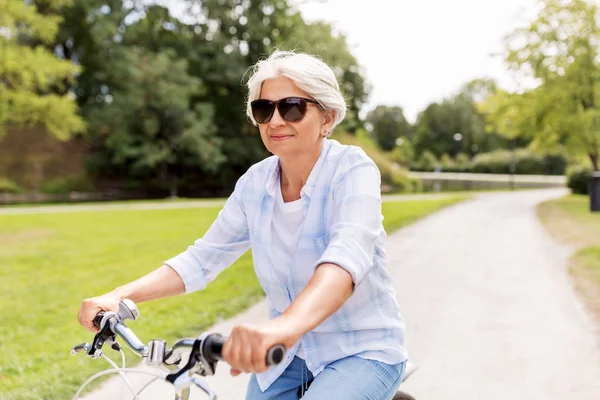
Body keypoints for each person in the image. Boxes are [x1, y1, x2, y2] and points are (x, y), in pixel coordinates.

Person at [78, 50, 408, 400]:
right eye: (264, 109)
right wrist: (118, 296)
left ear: (327, 117)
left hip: (360, 350)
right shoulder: (254, 184)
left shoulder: (352, 169)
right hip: (286, 355)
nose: (275, 121)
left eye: (292, 107)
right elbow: (202, 259)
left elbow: (345, 259)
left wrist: (282, 328)